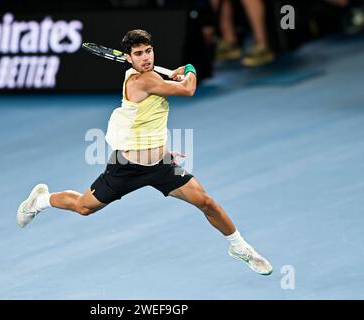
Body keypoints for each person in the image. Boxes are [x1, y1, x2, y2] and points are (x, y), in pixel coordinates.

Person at [16, 29, 273, 275]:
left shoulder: (148, 76)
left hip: (161, 164)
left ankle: (240, 247)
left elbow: (150, 119)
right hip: (126, 167)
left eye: (148, 51)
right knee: (84, 207)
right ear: (128, 58)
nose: (146, 57)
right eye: (138, 54)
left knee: (206, 202)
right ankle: (42, 200)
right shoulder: (142, 80)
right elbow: (188, 89)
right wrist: (190, 69)